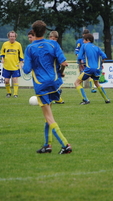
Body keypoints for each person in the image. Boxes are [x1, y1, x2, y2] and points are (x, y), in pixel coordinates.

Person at [23, 20, 72, 154]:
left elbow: (26, 70)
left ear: (33, 32)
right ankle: (47, 145)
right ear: (45, 32)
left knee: (49, 117)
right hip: (55, 83)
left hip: (41, 85)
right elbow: (63, 62)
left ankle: (65, 145)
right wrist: (60, 71)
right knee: (48, 115)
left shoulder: (30, 48)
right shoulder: (53, 44)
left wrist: (25, 63)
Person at [74, 33, 110, 105]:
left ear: (87, 40)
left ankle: (85, 100)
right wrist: (100, 64)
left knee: (77, 83)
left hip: (89, 68)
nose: (83, 41)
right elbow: (104, 57)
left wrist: (80, 64)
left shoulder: (84, 46)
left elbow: (79, 57)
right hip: (97, 69)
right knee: (96, 83)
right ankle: (107, 99)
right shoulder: (97, 47)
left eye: (84, 39)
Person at [0, 31, 24, 98]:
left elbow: (21, 55)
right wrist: (2, 59)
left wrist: (21, 63)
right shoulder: (5, 44)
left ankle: (15, 94)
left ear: (15, 37)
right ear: (8, 37)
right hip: (7, 66)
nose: (12, 38)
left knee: (15, 79)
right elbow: (2, 53)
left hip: (15, 66)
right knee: (6, 81)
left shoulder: (18, 45)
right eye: (11, 36)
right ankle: (8, 93)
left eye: (13, 36)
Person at [74, 29, 97, 93]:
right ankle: (80, 87)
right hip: (82, 61)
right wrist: (79, 58)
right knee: (81, 74)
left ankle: (92, 88)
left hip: (88, 60)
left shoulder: (89, 42)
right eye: (84, 36)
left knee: (90, 74)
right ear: (82, 35)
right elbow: (77, 50)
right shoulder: (80, 41)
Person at [49, 31, 65, 104]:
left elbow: (62, 63)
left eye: (54, 40)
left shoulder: (55, 47)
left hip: (53, 70)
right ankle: (57, 97)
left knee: (54, 84)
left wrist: (61, 71)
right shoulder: (56, 46)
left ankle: (57, 97)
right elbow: (63, 63)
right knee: (55, 84)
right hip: (52, 70)